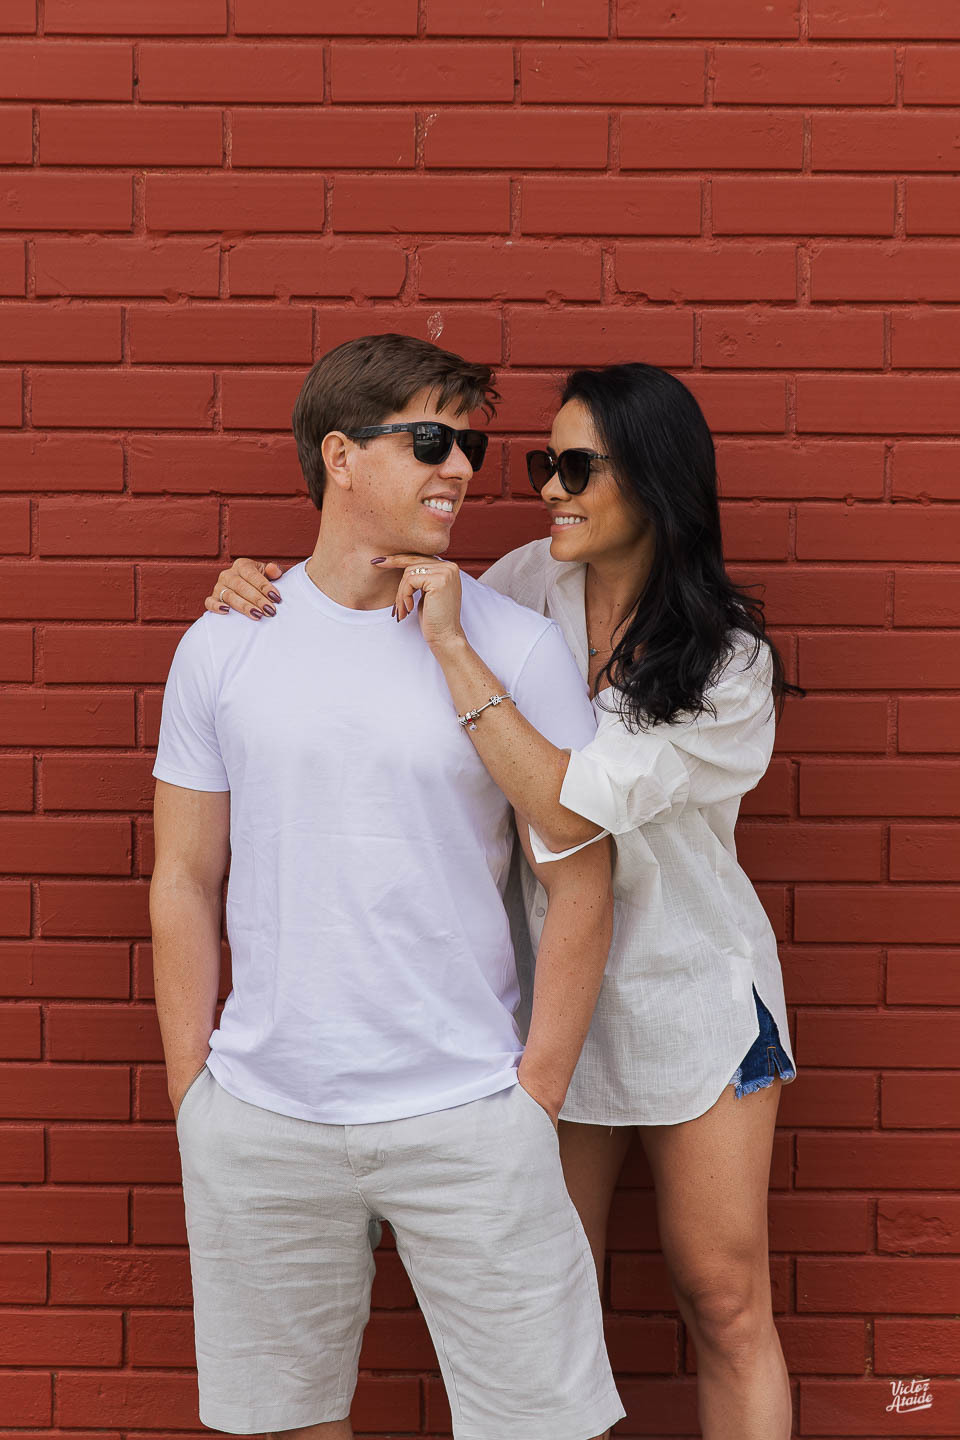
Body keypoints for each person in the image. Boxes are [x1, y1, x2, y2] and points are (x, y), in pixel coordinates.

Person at [208, 358, 801, 1440]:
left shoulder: (728, 665)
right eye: (542, 463)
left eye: (576, 466)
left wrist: (449, 651)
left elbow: (573, 815)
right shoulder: (529, 584)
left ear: (656, 481)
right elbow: (356, 592)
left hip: (690, 998)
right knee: (550, 1326)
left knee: (721, 1298)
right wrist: (259, 588)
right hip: (548, 1010)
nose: (547, 489)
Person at [150, 332, 625, 1440]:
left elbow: (581, 872)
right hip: (264, 1116)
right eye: (429, 440)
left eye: (470, 443)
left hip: (471, 1112)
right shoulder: (225, 647)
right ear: (340, 456)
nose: (461, 467)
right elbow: (184, 876)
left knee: (544, 1425)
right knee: (283, 1425)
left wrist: (533, 1096)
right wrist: (195, 1091)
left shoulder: (512, 645)